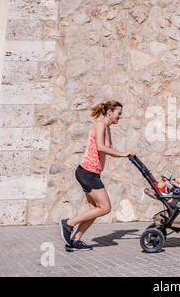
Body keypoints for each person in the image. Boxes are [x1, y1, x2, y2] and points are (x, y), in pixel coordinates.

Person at [59, 100, 135, 251]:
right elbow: (101, 147)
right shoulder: (100, 125)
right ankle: (68, 223)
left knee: (94, 209)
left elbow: (109, 149)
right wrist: (124, 153)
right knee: (105, 207)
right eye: (118, 114)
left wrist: (125, 155)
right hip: (87, 172)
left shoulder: (107, 127)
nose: (120, 117)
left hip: (91, 173)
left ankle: (75, 241)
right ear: (109, 112)